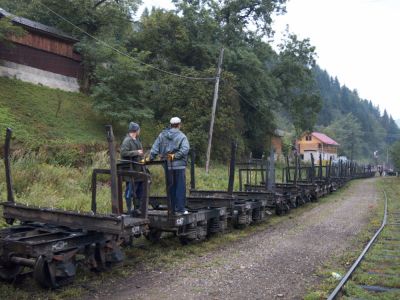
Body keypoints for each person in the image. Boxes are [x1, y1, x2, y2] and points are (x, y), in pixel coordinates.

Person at [150, 117, 190, 215]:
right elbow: (185, 149)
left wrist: (150, 158)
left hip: (167, 166)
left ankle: (171, 208)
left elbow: (155, 148)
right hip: (179, 166)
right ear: (179, 125)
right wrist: (175, 156)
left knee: (170, 187)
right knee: (180, 187)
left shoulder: (162, 135)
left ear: (170, 125)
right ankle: (180, 209)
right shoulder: (182, 136)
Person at [120, 122, 144, 214]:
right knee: (130, 192)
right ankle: (129, 210)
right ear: (135, 130)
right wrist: (136, 152)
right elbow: (123, 153)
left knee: (139, 191)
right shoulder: (127, 141)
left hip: (139, 169)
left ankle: (137, 209)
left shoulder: (137, 140)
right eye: (138, 129)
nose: (139, 131)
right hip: (131, 170)